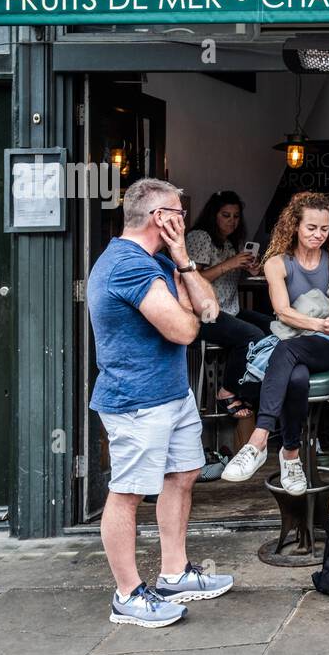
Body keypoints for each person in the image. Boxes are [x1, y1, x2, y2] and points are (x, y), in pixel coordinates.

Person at [87, 177, 234, 628]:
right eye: (179, 212)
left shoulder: (157, 261)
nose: (184, 219)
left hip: (171, 393)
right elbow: (186, 331)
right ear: (160, 218)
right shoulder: (129, 265)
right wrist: (187, 301)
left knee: (183, 474)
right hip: (137, 399)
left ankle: (174, 573)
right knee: (128, 492)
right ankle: (127, 595)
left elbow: (209, 312)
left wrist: (185, 261)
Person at [220, 192, 329, 494]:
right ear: (295, 226)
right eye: (311, 228)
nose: (318, 235)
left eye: (324, 229)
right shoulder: (277, 263)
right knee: (295, 375)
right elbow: (283, 312)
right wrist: (318, 322)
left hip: (327, 344)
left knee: (286, 352)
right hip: (292, 338)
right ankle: (290, 455)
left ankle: (258, 441)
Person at [185, 190, 270, 441]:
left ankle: (253, 389)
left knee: (275, 328)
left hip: (229, 308)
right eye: (225, 215)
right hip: (205, 313)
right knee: (251, 335)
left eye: (235, 216)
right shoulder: (200, 237)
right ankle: (228, 390)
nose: (231, 221)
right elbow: (193, 279)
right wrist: (230, 263)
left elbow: (225, 280)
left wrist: (247, 269)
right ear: (213, 216)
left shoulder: (229, 243)